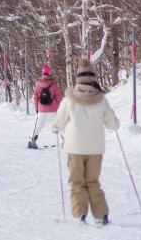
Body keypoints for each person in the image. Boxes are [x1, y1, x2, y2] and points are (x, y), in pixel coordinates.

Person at [52, 57, 120, 225]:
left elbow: (59, 121)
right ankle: (101, 214)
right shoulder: (101, 100)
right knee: (92, 181)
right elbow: (113, 124)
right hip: (95, 148)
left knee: (77, 181)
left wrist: (55, 127)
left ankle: (80, 213)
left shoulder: (69, 99)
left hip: (74, 147)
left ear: (78, 78)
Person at [28, 64, 63, 149]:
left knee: (38, 125)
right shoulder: (54, 85)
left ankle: (32, 140)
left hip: (41, 109)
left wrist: (37, 108)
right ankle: (67, 141)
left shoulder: (38, 85)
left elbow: (35, 98)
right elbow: (59, 97)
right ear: (50, 73)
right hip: (53, 109)